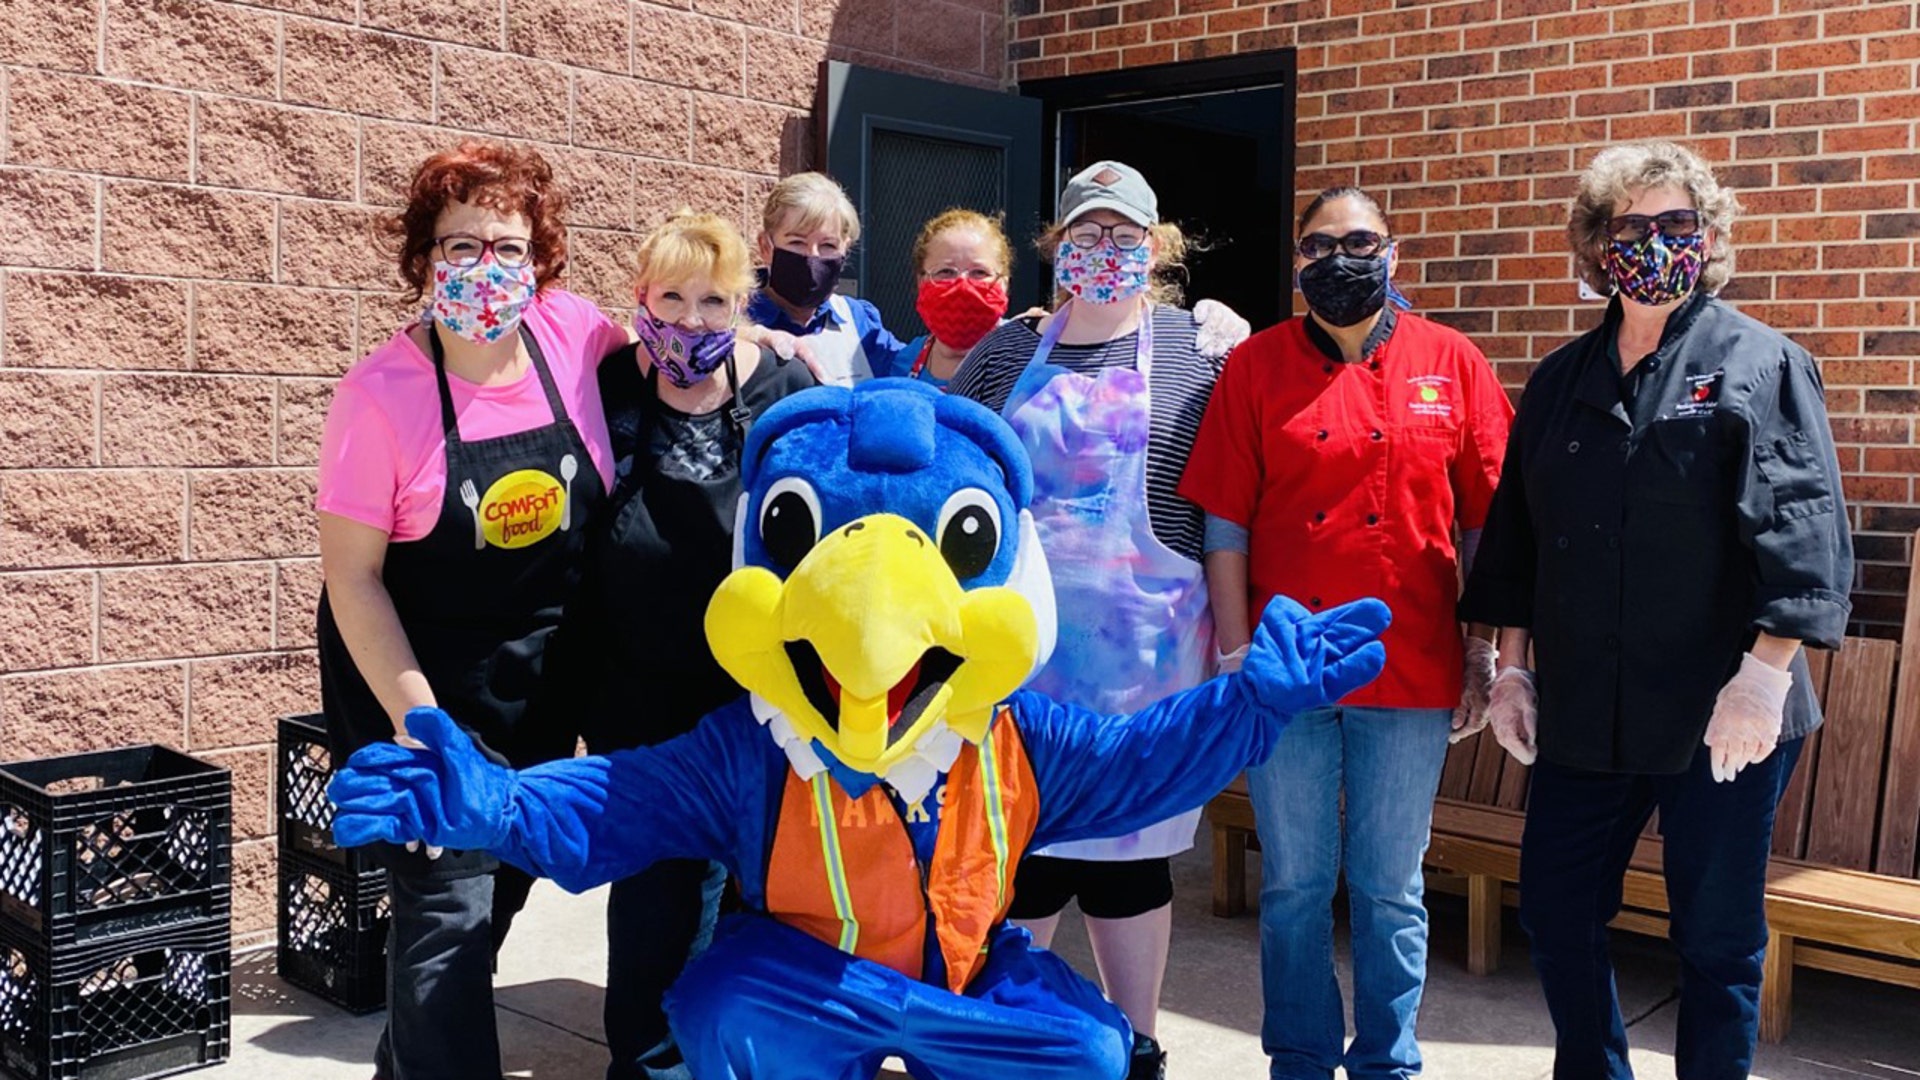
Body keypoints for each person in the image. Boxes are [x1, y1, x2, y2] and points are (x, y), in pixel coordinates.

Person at [1460, 140, 1853, 1080]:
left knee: (1714, 936)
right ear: (1597, 245)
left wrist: (1762, 681)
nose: (1655, 243)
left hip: (1721, 710)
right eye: (1631, 226)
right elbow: (1519, 540)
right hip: (1588, 707)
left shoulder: (1762, 364)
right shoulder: (1559, 381)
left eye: (1677, 224)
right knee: (1556, 911)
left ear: (1707, 238)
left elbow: (1804, 536)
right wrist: (1513, 668)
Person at [1178, 187, 1513, 1080]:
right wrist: (1236, 651)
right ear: (1299, 264)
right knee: (1292, 885)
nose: (1341, 259)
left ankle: (1388, 1063)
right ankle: (1299, 1057)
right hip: (1287, 669)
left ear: (1393, 252)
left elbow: (1486, 524)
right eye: (1321, 246)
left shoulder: (1455, 361)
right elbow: (1224, 523)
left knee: (1391, 889)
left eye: (1359, 241)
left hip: (1413, 667)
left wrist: (1483, 649)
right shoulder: (1255, 365)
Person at [314, 140, 626, 1080]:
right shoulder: (376, 399)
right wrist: (424, 727)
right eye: (460, 246)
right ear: (424, 259)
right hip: (424, 693)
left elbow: (673, 345)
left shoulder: (573, 334)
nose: (486, 269)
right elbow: (353, 581)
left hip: (543, 692)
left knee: (496, 904)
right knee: (447, 919)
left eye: (508, 246)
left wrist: (762, 338)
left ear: (542, 261)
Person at [946, 160, 1229, 1080]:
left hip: (1146, 663)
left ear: (1155, 249)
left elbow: (1228, 497)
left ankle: (1137, 1043)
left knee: (1129, 861)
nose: (1102, 251)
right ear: (1057, 247)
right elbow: (955, 481)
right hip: (1017, 662)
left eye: (1122, 236)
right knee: (1021, 855)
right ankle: (1011, 1037)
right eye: (1084, 235)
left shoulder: (1200, 348)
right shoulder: (1003, 353)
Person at [536, 210, 815, 1080]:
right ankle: (649, 1063)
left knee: (759, 887)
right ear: (639, 300)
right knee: (657, 890)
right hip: (636, 696)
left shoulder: (782, 388)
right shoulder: (611, 381)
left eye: (714, 301)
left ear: (743, 304)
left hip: (757, 697)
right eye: (673, 298)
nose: (691, 320)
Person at [745, 172, 907, 386]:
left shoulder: (858, 320)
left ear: (845, 250)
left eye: (828, 245)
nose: (813, 256)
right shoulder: (731, 316)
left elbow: (914, 372)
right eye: (797, 242)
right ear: (766, 246)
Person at [889, 209, 1014, 389]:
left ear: (1004, 282)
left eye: (979, 272)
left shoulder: (1025, 357)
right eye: (945, 272)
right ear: (921, 281)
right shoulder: (904, 362)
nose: (962, 285)